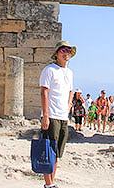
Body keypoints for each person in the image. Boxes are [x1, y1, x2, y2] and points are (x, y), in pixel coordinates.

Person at [39, 40, 76, 188]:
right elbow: (44, 92)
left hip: (63, 117)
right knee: (49, 151)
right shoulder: (49, 70)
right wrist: (46, 115)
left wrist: (68, 104)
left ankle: (52, 183)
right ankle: (48, 184)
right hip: (52, 115)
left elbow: (71, 90)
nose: (66, 52)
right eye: (63, 50)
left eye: (68, 50)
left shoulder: (70, 72)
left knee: (57, 153)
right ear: (57, 53)